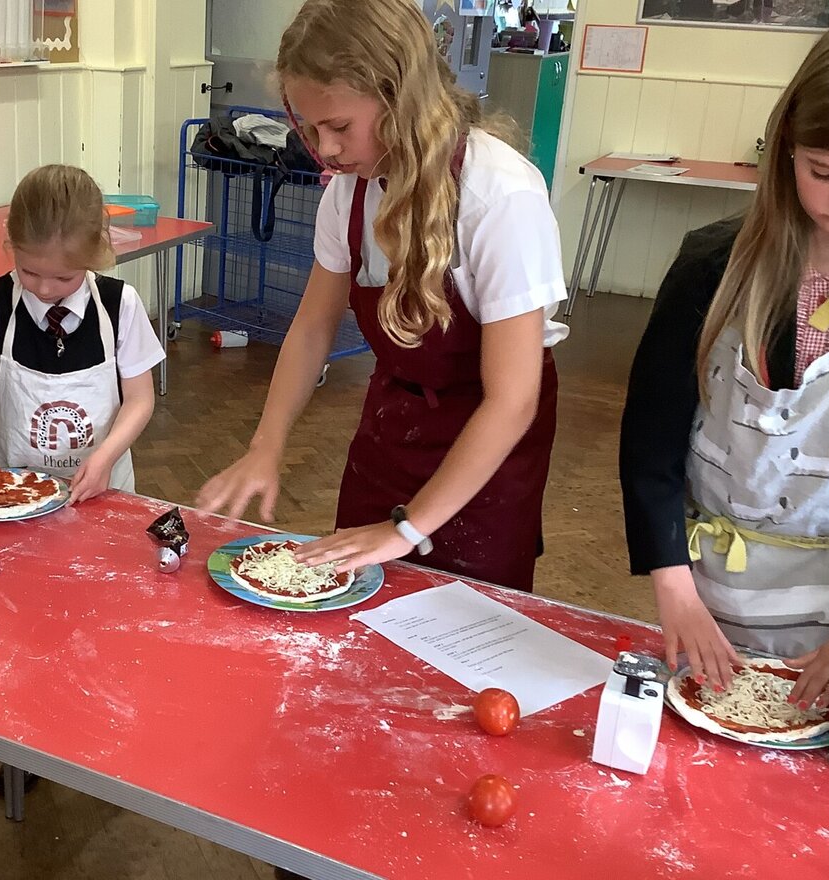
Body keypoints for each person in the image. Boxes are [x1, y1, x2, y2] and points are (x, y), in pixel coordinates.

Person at [619, 24, 829, 708]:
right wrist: (673, 583)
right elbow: (650, 442)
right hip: (706, 591)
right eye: (823, 171)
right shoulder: (710, 269)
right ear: (785, 150)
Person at [196, 0, 569, 591]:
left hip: (487, 454)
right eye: (310, 129)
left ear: (401, 97)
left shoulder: (501, 195)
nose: (326, 151)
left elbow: (512, 401)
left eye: (339, 127)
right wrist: (266, 446)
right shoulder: (350, 195)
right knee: (366, 602)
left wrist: (406, 529)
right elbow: (312, 328)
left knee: (463, 626)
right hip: (392, 432)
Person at [0, 164, 163, 505]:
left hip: (103, 491)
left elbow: (140, 398)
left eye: (64, 278)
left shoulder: (120, 305)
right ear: (10, 242)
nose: (44, 288)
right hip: (13, 498)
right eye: (28, 272)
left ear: (95, 253)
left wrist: (106, 456)